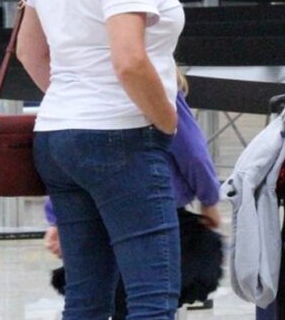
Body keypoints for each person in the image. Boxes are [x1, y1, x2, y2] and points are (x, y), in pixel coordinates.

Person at [17, 0, 184, 319]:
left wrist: (75, 98)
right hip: (120, 138)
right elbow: (129, 59)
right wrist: (165, 120)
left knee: (86, 297)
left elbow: (30, 51)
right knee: (153, 296)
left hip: (57, 137)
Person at [44, 77, 223, 318]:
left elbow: (68, 159)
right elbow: (193, 153)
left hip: (84, 191)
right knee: (151, 298)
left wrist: (58, 217)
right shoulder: (156, 84)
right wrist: (209, 199)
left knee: (86, 299)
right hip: (145, 201)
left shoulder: (76, 83)